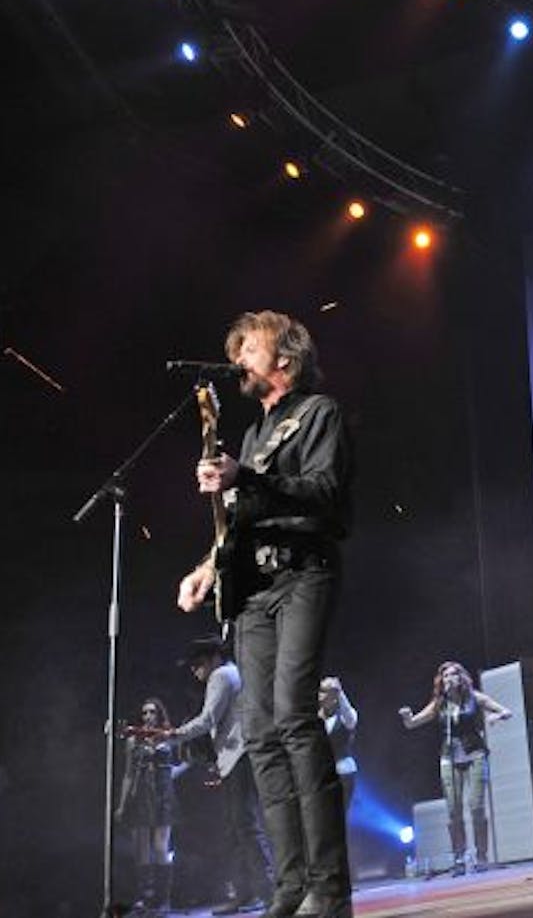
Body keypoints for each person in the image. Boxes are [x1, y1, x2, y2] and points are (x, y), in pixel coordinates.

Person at [176, 310, 354, 918]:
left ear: (285, 356)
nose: (238, 359)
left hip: (303, 573)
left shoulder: (320, 413)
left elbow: (328, 495)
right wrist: (206, 566)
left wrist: (246, 476)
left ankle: (330, 888)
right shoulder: (254, 434)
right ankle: (291, 886)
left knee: (295, 718)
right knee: (259, 734)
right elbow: (240, 524)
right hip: (251, 590)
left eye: (248, 347)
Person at [160, 635, 273, 916]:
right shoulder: (231, 674)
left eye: (197, 664)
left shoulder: (222, 675)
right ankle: (248, 893)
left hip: (239, 757)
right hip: (235, 758)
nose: (194, 671)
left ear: (214, 658)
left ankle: (268, 894)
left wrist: (175, 735)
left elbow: (209, 718)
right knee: (237, 829)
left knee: (245, 828)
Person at [398, 662, 512, 876]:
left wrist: (495, 716)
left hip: (475, 754)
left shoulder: (474, 697)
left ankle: (481, 856)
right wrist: (407, 716)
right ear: (442, 681)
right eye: (447, 676)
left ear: (462, 678)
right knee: (453, 810)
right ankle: (459, 857)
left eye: (455, 675)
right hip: (449, 758)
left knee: (476, 806)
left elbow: (507, 711)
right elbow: (412, 723)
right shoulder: (440, 704)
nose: (451, 679)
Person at [116, 697, 176, 916]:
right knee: (141, 850)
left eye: (152, 712)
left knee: (161, 847)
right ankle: (144, 897)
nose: (148, 717)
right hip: (140, 795)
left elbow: (180, 762)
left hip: (162, 796)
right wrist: (122, 805)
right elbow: (128, 775)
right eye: (144, 713)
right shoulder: (134, 741)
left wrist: (170, 777)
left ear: (159, 714)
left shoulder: (168, 738)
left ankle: (163, 900)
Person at [317, 677, 359, 811]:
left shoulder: (345, 716)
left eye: (324, 692)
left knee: (337, 814)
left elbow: (350, 718)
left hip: (343, 773)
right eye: (320, 691)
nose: (320, 696)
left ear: (334, 697)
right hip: (320, 774)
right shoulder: (315, 718)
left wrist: (340, 692)